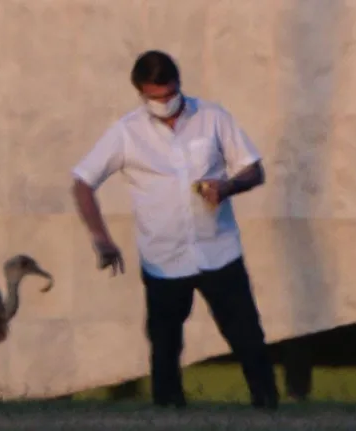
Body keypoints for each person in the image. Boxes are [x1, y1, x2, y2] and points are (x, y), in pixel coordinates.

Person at [71, 50, 279, 410]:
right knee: (165, 343)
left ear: (179, 85)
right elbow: (83, 183)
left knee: (247, 334)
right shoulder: (126, 133)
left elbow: (253, 169)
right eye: (155, 98)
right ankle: (169, 410)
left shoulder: (212, 117)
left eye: (169, 95)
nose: (165, 104)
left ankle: (267, 406)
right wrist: (101, 240)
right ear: (140, 92)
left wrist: (226, 187)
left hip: (218, 249)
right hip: (164, 257)